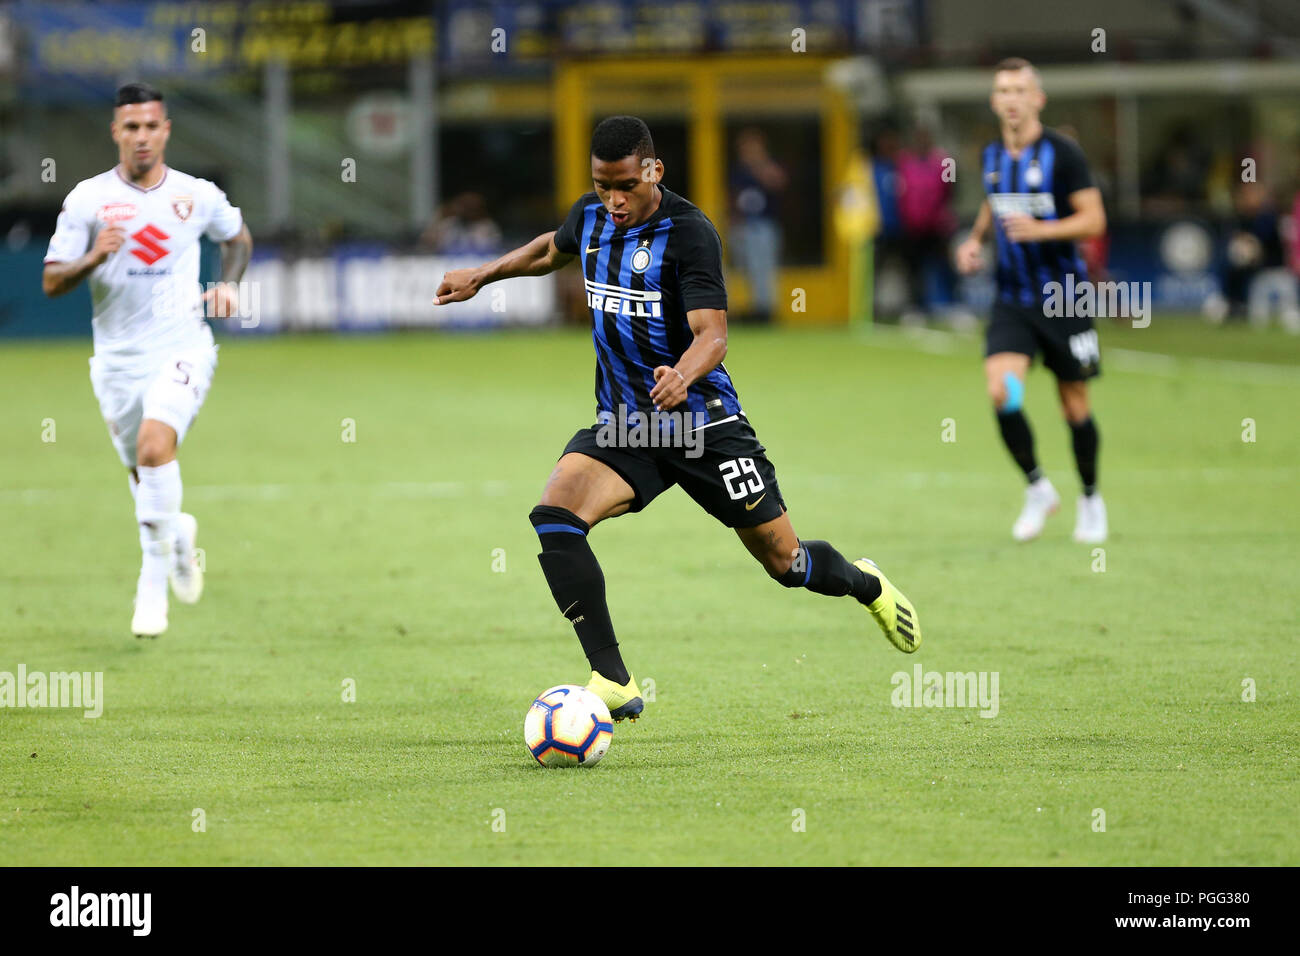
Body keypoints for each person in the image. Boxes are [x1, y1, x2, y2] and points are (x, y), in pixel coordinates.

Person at [434, 115, 920, 721]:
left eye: (626, 187)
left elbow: (713, 334)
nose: (613, 200)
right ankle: (612, 679)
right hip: (629, 425)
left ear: (654, 171)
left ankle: (865, 584)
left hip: (704, 425)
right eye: (602, 185)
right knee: (555, 519)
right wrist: (483, 275)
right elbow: (550, 248)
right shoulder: (590, 216)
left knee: (786, 563)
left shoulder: (690, 233)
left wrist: (681, 376)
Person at [42, 82, 253, 637]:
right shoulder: (86, 200)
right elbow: (51, 282)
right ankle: (178, 535)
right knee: (143, 474)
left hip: (182, 345)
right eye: (130, 127)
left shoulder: (195, 194)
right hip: (115, 361)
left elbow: (238, 239)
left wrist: (228, 286)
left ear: (165, 131)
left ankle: (152, 581)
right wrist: (94, 256)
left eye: (150, 126)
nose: (141, 136)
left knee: (155, 448)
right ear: (116, 132)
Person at [954, 58, 1108, 543]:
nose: (1012, 98)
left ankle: (1090, 497)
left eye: (1021, 89)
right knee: (1003, 392)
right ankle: (1039, 487)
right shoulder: (993, 155)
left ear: (1037, 98)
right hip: (1013, 298)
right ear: (995, 100)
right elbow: (994, 199)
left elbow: (1094, 220)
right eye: (1003, 90)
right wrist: (976, 239)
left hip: (1065, 296)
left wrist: (1043, 229)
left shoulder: (1064, 154)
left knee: (1074, 404)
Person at [728, 127, 788, 323]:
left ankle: (765, 310)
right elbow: (732, 196)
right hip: (742, 225)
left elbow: (777, 181)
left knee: (762, 267)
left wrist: (757, 163)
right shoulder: (738, 170)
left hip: (762, 225)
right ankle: (747, 308)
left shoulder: (767, 165)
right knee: (742, 267)